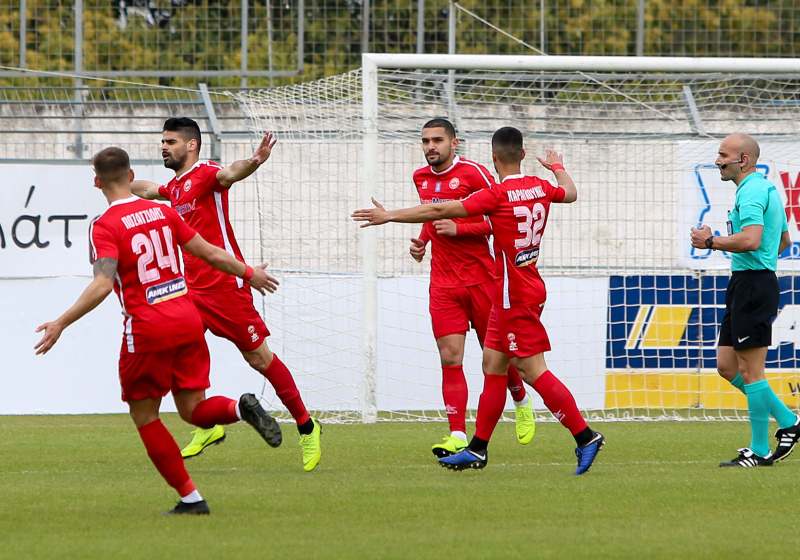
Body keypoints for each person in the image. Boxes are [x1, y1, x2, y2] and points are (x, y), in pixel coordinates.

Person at [35, 147, 283, 514]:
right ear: (132, 176)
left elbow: (103, 284)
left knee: (146, 415)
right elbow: (209, 252)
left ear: (96, 181)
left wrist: (61, 322)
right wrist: (250, 273)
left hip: (148, 328)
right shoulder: (163, 212)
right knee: (192, 409)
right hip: (187, 318)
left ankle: (191, 499)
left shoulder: (105, 225)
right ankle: (238, 409)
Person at [353, 127, 605, 475]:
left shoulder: (497, 195)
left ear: (493, 157)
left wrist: (389, 216)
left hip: (515, 295)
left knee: (533, 371)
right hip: (519, 286)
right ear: (522, 154)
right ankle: (478, 449)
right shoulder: (541, 186)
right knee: (493, 365)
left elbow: (439, 211)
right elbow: (571, 193)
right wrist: (558, 167)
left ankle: (585, 436)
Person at [131, 117, 321, 472]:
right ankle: (209, 425)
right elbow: (147, 190)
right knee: (179, 359)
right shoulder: (175, 188)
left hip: (224, 288)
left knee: (260, 359)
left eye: (170, 142)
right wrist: (123, 181)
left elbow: (229, 174)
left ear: (191, 145)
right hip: (188, 293)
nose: (163, 147)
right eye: (163, 141)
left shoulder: (206, 174)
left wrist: (254, 161)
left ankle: (307, 426)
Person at [410, 118, 535, 458]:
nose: (430, 147)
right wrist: (423, 241)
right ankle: (457, 435)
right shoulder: (420, 178)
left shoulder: (475, 174)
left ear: (455, 143)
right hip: (444, 283)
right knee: (450, 357)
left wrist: (460, 230)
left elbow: (498, 218)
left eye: (437, 140)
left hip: (482, 279)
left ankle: (521, 399)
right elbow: (430, 215)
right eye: (425, 141)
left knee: (496, 356)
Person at [690, 133, 800, 467]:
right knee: (726, 366)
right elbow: (782, 240)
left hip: (754, 286)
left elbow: (752, 240)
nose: (717, 160)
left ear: (744, 160)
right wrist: (758, 260)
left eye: (723, 154)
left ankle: (759, 449)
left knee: (752, 373)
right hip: (748, 282)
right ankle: (789, 421)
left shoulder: (752, 190)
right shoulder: (764, 189)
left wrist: (711, 243)